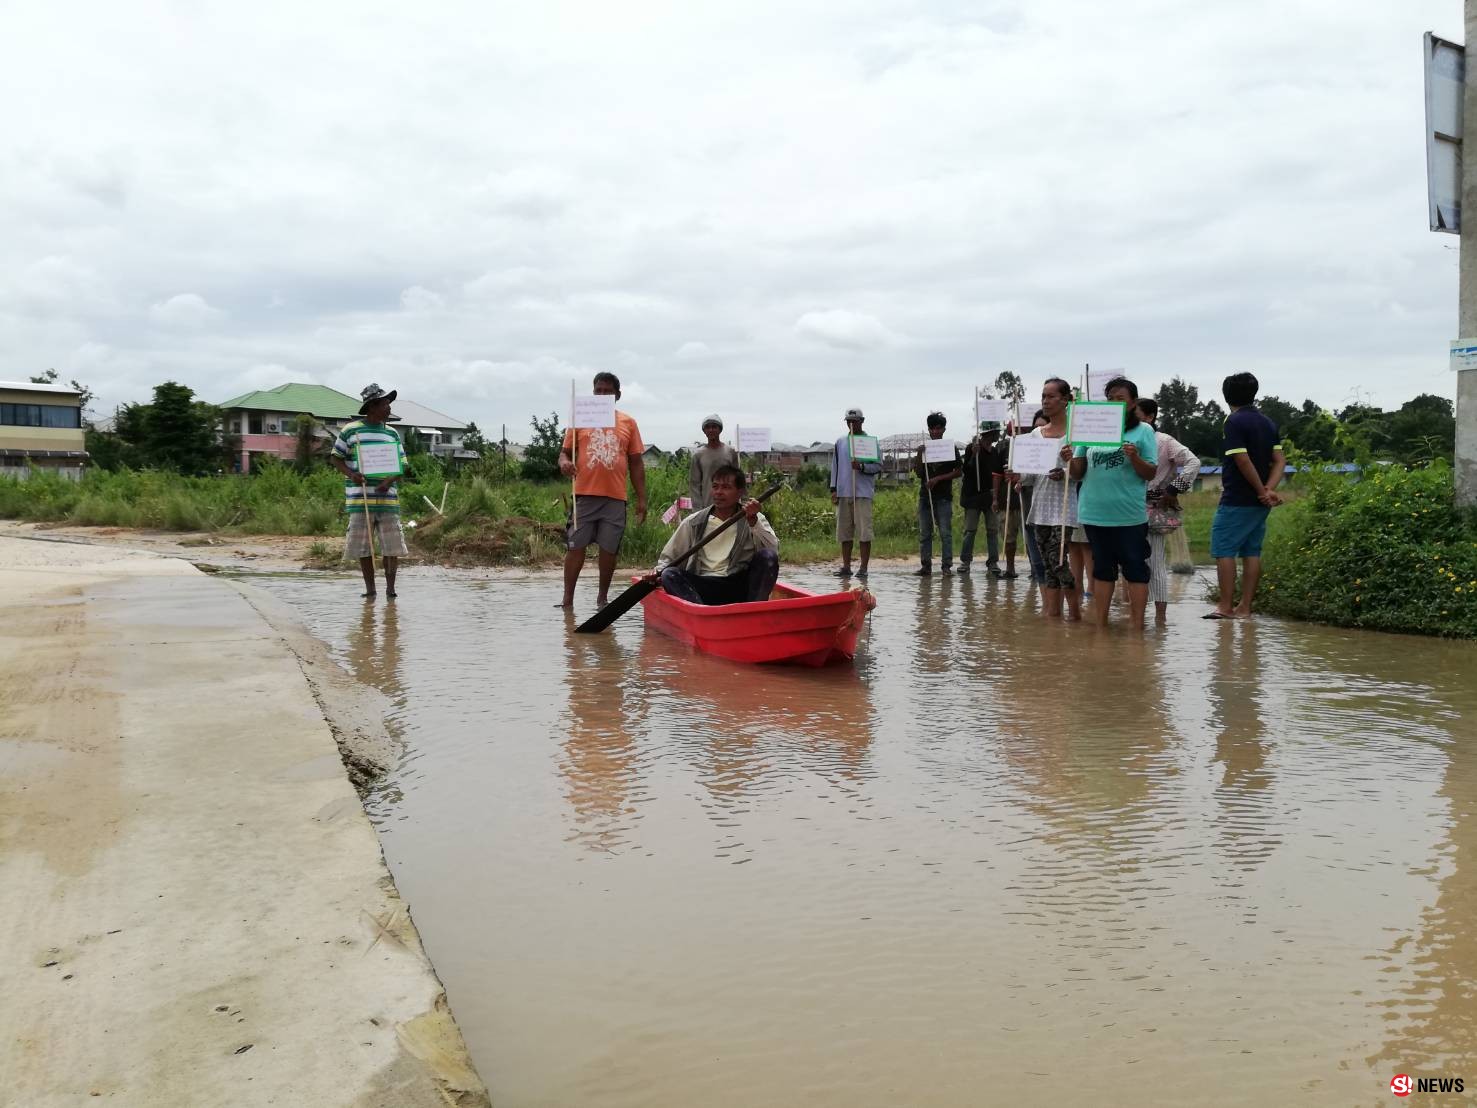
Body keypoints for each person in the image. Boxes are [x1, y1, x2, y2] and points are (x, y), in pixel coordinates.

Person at [1069, 376, 1158, 629]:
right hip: (1095, 512)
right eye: (1110, 399)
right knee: (1102, 569)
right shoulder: (1090, 429)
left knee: (1135, 567)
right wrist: (1070, 458)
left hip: (1129, 514)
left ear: (1132, 403)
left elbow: (1150, 473)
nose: (1114, 403)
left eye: (1120, 399)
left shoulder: (1143, 431)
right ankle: (1101, 625)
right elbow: (1078, 473)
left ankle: (1137, 626)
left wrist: (1136, 457)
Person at [558, 372, 648, 609]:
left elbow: (637, 463)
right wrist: (564, 463)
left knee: (609, 550)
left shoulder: (628, 422)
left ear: (617, 395)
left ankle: (602, 599)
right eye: (598, 390)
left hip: (615, 497)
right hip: (584, 494)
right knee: (576, 546)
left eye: (607, 391)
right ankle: (567, 601)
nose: (602, 394)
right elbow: (564, 452)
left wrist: (642, 499)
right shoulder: (581, 417)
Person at [1206, 372, 1286, 620]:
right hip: (1259, 503)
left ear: (1226, 395)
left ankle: (1225, 606)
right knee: (1251, 552)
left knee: (1224, 550)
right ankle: (1245, 608)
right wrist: (1268, 490)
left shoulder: (1233, 421)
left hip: (1237, 498)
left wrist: (1262, 490)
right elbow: (1280, 460)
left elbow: (1241, 459)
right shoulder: (1268, 422)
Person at [647, 465, 779, 605]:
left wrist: (753, 522)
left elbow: (772, 550)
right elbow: (669, 557)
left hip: (738, 586)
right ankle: (701, 613)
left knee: (767, 557)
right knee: (669, 574)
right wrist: (657, 572)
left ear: (740, 492)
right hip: (705, 585)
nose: (719, 492)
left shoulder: (753, 517)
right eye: (715, 487)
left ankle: (754, 612)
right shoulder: (693, 522)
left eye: (726, 487)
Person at [331, 384, 409, 601]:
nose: (388, 406)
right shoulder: (351, 430)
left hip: (388, 499)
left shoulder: (392, 433)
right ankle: (370, 589)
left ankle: (390, 589)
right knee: (363, 547)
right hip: (360, 498)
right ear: (373, 406)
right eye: (385, 403)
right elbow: (335, 457)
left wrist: (388, 481)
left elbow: (402, 464)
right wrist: (352, 475)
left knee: (391, 547)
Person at [1014, 379, 1082, 619]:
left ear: (1065, 400)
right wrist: (1017, 474)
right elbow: (1030, 477)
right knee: (1047, 565)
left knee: (1059, 563)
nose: (1045, 401)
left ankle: (1075, 614)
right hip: (1040, 509)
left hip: (1063, 510)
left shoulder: (1075, 436)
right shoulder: (1035, 435)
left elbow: (1080, 474)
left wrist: (1066, 467)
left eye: (1051, 396)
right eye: (1043, 396)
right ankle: (1053, 615)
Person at [1135, 397, 1201, 625]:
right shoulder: (1124, 440)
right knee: (1130, 564)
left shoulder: (1163, 441)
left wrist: (1173, 489)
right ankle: (1137, 617)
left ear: (1150, 417)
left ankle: (1160, 618)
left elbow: (1193, 463)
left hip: (1152, 509)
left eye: (1136, 413)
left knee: (1155, 563)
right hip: (1123, 508)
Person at [828, 408, 882, 580]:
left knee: (864, 532)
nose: (852, 424)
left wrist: (862, 467)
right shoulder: (840, 442)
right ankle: (846, 566)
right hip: (844, 492)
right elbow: (835, 467)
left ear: (862, 421)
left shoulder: (870, 443)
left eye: (855, 421)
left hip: (863, 493)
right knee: (844, 532)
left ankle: (864, 568)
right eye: (849, 421)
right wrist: (834, 489)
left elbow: (878, 466)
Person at [913, 412, 961, 576]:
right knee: (925, 533)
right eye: (932, 429)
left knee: (945, 533)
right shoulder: (924, 448)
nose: (935, 432)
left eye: (938, 428)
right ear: (929, 430)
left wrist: (938, 479)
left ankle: (946, 566)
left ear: (943, 429)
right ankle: (926, 566)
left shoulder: (951, 448)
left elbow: (958, 471)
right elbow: (919, 472)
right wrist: (920, 454)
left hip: (943, 497)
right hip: (925, 496)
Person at [958, 424, 1001, 576]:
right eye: (997, 432)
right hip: (972, 496)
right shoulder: (972, 448)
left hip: (989, 496)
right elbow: (966, 470)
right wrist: (974, 455)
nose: (999, 435)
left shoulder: (995, 452)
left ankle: (993, 562)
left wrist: (995, 496)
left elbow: (997, 474)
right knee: (970, 530)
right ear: (990, 434)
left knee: (993, 529)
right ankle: (965, 561)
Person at [688, 415, 738, 510]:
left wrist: (742, 502)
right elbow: (695, 484)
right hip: (707, 506)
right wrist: (698, 510)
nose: (711, 430)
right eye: (708, 427)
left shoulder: (730, 452)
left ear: (720, 430)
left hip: (729, 505)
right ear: (704, 431)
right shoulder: (698, 455)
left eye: (714, 427)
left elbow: (738, 480)